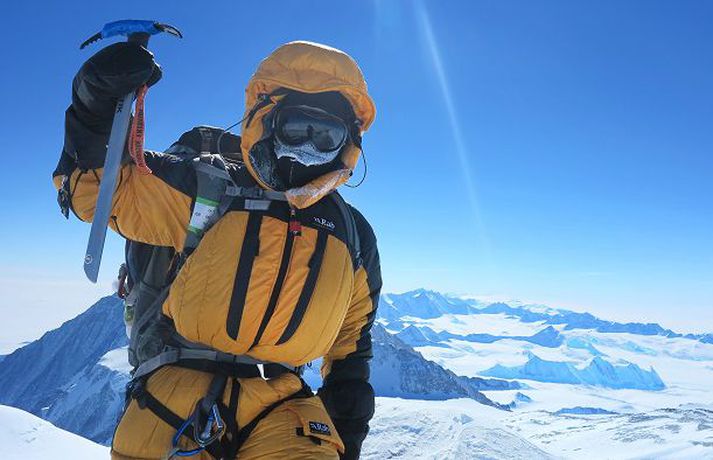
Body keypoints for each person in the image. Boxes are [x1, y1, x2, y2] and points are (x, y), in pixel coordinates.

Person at [53, 40, 381, 460]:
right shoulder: (209, 187)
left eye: (325, 137)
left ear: (347, 144)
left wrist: (347, 426)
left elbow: (351, 342)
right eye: (296, 129)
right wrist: (95, 102)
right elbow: (98, 193)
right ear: (267, 121)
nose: (306, 148)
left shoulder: (354, 234)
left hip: (283, 404)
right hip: (178, 387)